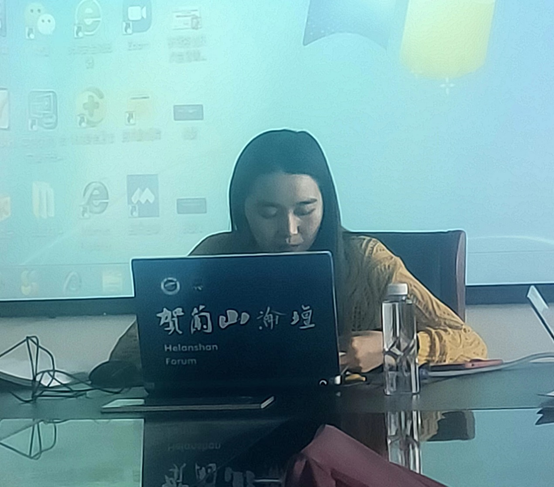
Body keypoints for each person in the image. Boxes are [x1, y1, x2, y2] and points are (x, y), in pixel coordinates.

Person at [110, 129, 487, 372]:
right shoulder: (215, 256)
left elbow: (470, 342)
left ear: (326, 205)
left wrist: (393, 346)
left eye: (305, 210)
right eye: (268, 213)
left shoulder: (367, 261)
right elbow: (125, 355)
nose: (289, 230)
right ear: (242, 209)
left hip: (345, 434)